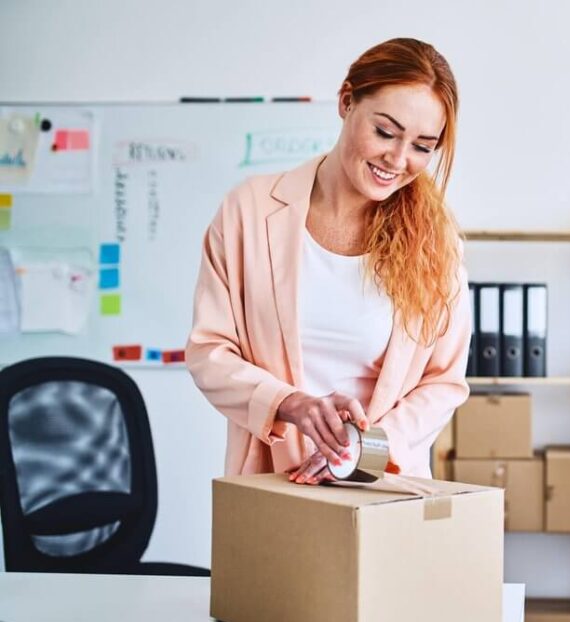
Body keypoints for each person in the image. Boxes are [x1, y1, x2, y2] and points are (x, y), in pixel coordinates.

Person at [186, 37, 470, 486]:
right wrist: (289, 404)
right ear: (345, 101)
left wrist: (364, 449)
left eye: (422, 145)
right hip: (272, 482)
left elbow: (444, 381)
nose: (397, 160)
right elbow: (209, 352)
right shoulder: (249, 210)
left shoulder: (437, 242)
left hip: (383, 485)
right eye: (385, 132)